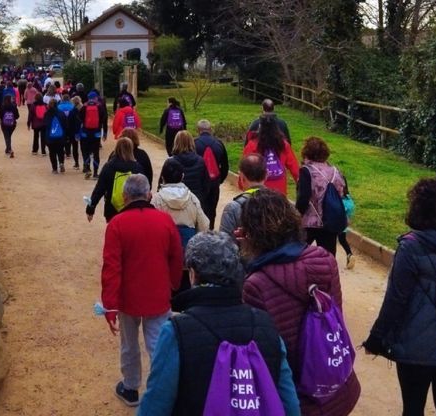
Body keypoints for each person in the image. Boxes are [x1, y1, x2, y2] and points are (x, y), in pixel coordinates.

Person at [138, 231, 301, 415]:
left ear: (192, 274)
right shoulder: (267, 324)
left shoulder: (176, 331)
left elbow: (155, 405)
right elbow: (290, 404)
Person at [363, 178, 436, 416]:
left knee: (413, 408)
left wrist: (376, 339)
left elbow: (396, 299)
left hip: (417, 346)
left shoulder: (411, 246)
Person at [241, 189, 361, 416]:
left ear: (251, 233)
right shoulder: (325, 260)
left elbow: (264, 355)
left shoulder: (256, 284)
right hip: (336, 383)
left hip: (298, 397)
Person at [98, 173, 183, 407]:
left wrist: (110, 305)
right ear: (149, 194)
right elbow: (176, 257)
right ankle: (162, 391)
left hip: (128, 297)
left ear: (125, 197)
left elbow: (111, 268)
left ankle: (131, 387)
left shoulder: (117, 224)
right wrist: (173, 284)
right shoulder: (165, 220)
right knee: (157, 343)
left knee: (129, 344)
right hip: (157, 292)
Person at [152, 158, 210, 295]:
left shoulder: (157, 200)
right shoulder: (192, 198)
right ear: (182, 176)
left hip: (164, 257)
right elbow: (204, 226)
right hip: (186, 256)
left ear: (163, 177)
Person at [295, 136, 345, 256]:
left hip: (309, 222)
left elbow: (303, 199)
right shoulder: (335, 171)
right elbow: (341, 193)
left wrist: (296, 216)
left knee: (297, 255)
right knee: (328, 257)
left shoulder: (307, 171)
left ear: (306, 152)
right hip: (329, 221)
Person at [86, 138, 143, 222]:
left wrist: (91, 208)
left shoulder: (109, 166)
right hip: (132, 207)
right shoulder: (137, 168)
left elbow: (99, 189)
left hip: (112, 208)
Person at [242, 115, 299, 196]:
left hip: (257, 192)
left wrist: (242, 185)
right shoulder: (283, 145)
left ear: (260, 127)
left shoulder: (252, 145)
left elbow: (245, 167)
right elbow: (294, 168)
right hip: (279, 191)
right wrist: (300, 183)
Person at [219, 154, 266, 244]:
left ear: (241, 177)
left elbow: (225, 246)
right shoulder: (281, 202)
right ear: (266, 174)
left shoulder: (233, 208)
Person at [194, 119, 229, 230]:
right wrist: (220, 180)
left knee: (200, 208)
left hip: (199, 183)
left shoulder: (194, 144)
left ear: (198, 130)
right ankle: (211, 229)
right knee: (212, 209)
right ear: (210, 130)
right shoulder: (219, 144)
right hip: (214, 182)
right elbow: (225, 166)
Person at [162, 131, 209, 206]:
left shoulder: (170, 162)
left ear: (175, 143)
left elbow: (162, 184)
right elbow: (206, 184)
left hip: (174, 200)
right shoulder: (201, 161)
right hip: (195, 200)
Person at [79, 91, 107, 179]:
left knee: (86, 151)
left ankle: (87, 170)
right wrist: (104, 132)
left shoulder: (84, 106)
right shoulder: (100, 106)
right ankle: (95, 173)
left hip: (85, 132)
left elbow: (79, 118)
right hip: (96, 133)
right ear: (95, 98)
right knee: (96, 153)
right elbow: (104, 120)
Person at [43, 99, 68, 173]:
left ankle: (54, 169)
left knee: (52, 152)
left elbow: (45, 124)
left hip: (50, 136)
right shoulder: (61, 113)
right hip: (60, 136)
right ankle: (61, 163)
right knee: (60, 151)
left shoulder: (47, 114)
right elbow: (65, 125)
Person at [61, 95, 81, 170]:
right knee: (75, 147)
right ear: (69, 100)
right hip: (73, 129)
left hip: (63, 130)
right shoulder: (73, 108)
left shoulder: (59, 107)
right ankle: (76, 163)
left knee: (61, 147)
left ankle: (61, 162)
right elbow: (78, 120)